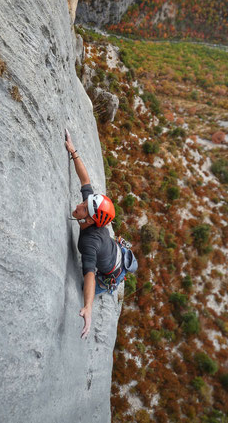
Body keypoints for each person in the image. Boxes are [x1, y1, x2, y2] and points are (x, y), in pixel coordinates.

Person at [65, 129, 127, 339]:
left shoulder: (89, 243)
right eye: (84, 203)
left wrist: (88, 308)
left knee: (84, 288)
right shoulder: (92, 210)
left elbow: (89, 274)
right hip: (112, 249)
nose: (79, 204)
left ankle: (109, 289)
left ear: (91, 219)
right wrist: (73, 151)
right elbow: (85, 180)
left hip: (111, 272)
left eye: (83, 207)